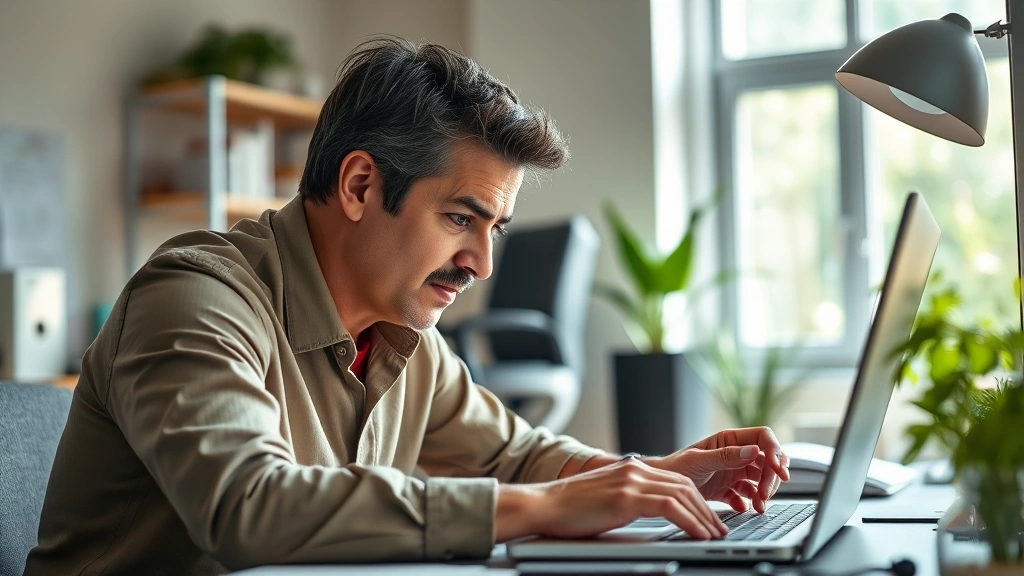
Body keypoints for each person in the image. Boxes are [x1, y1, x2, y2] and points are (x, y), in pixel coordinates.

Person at [25, 37, 789, 575]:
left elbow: (519, 457)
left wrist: (653, 477)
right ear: (360, 186)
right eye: (461, 218)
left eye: (495, 229)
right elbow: (246, 507)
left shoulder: (408, 343)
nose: (482, 263)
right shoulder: (194, 299)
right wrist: (541, 507)